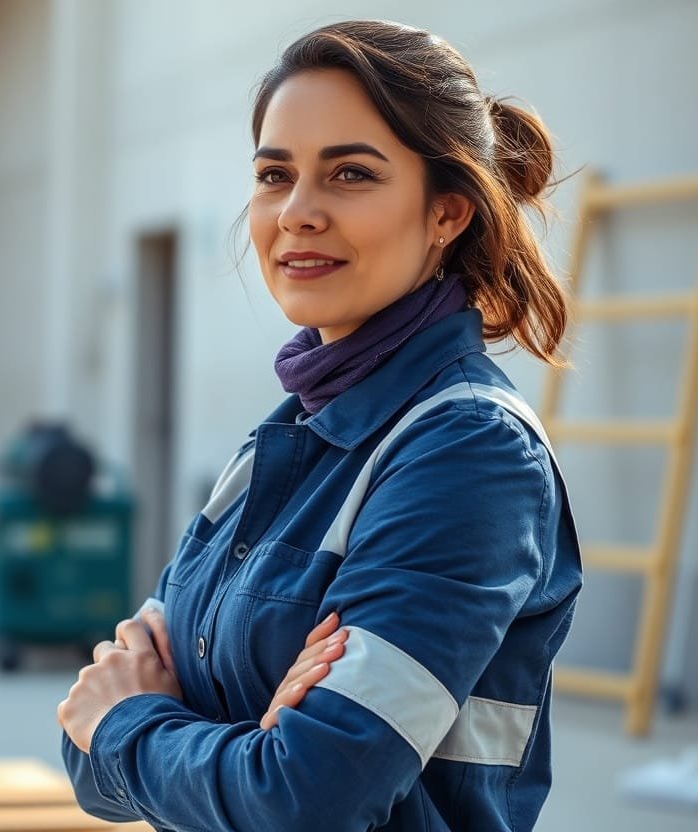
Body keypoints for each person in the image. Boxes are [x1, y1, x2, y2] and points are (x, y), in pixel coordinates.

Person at [58, 18, 583, 832]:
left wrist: (140, 725)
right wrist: (215, 737)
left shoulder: (470, 451)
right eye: (276, 174)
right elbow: (87, 752)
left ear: (446, 213)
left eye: (350, 174)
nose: (298, 211)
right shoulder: (277, 442)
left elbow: (306, 801)